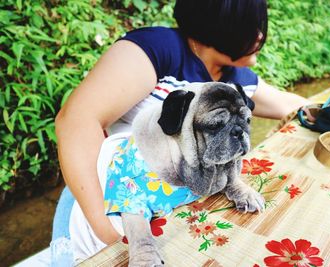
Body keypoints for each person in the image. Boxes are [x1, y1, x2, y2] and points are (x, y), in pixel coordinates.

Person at [52, 0, 310, 264]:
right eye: (253, 25)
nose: (259, 36)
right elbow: (76, 121)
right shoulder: (159, 49)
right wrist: (106, 229)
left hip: (171, 206)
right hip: (100, 203)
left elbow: (292, 105)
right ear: (221, 21)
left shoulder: (235, 77)